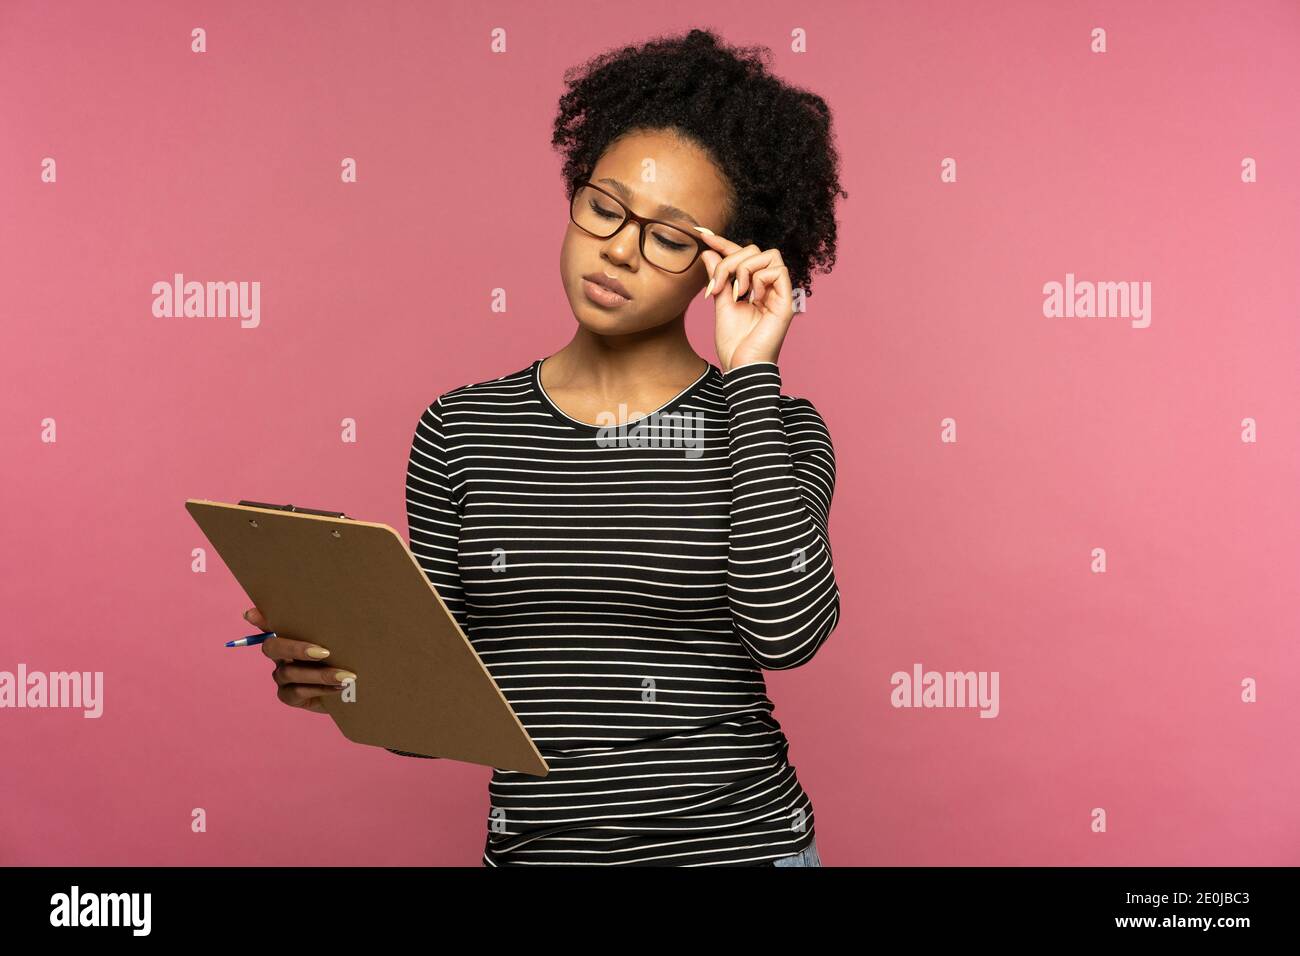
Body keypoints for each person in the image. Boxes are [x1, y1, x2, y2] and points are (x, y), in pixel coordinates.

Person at [248, 27, 847, 866]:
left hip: (738, 850)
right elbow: (444, 707)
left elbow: (789, 636)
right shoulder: (462, 430)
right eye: (605, 206)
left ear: (725, 263)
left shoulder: (776, 428)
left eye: (670, 237)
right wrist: (345, 680)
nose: (620, 248)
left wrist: (752, 369)